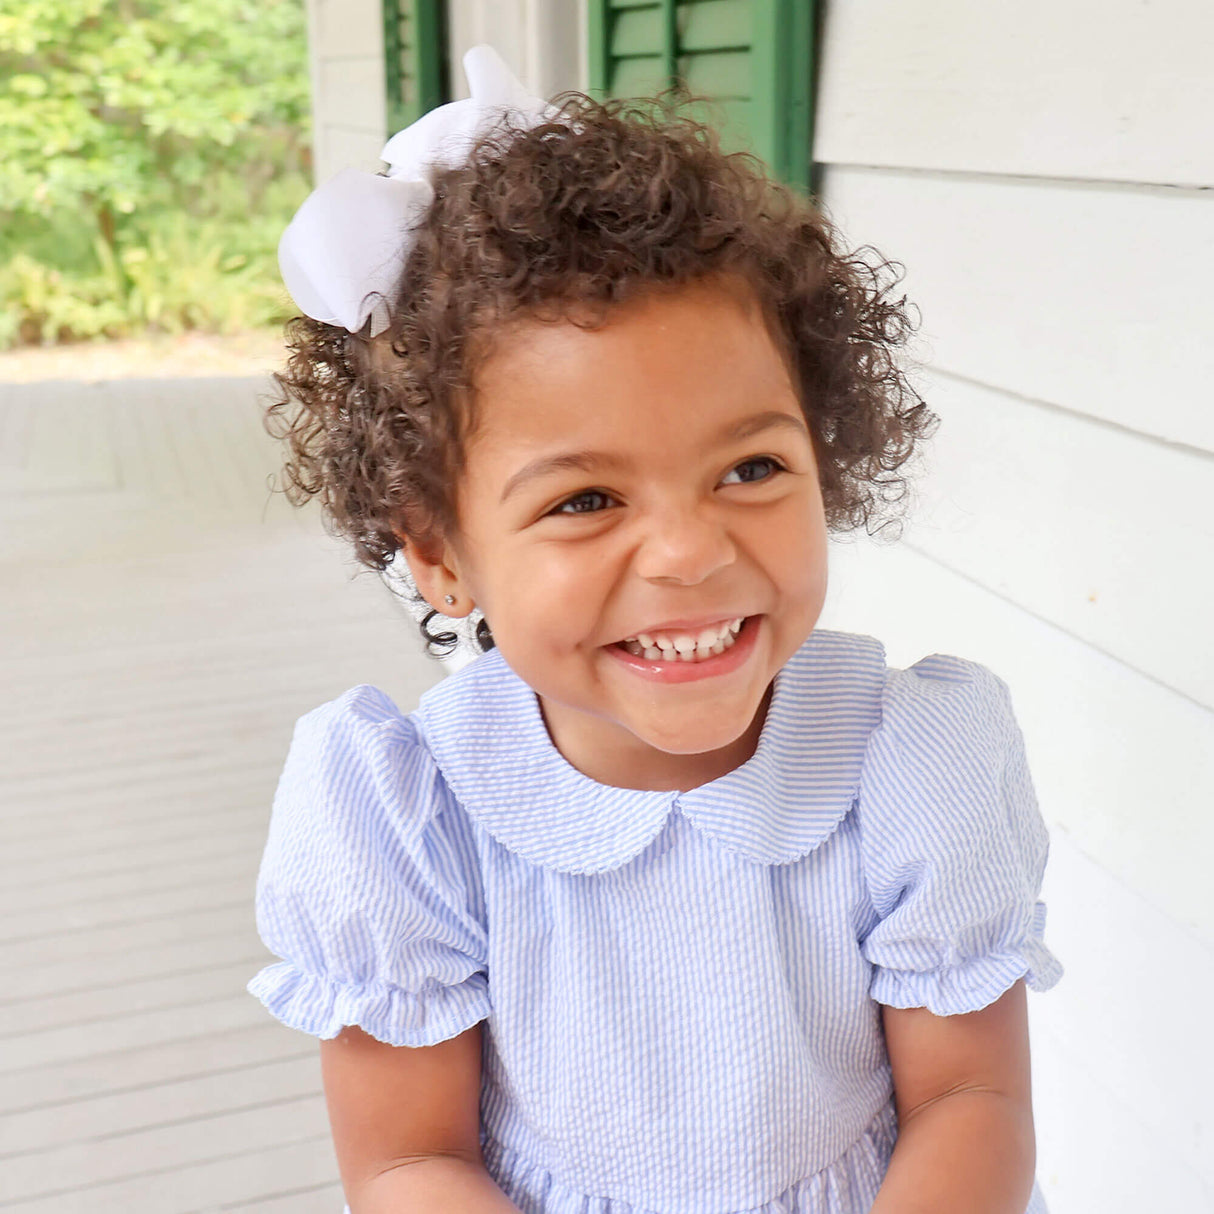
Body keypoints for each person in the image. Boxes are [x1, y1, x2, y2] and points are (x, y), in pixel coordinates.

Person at [249, 45, 1062, 1214]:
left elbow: (967, 1103)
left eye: (749, 466)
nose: (689, 551)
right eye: (584, 499)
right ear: (437, 551)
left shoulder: (905, 758)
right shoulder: (408, 811)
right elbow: (406, 1160)